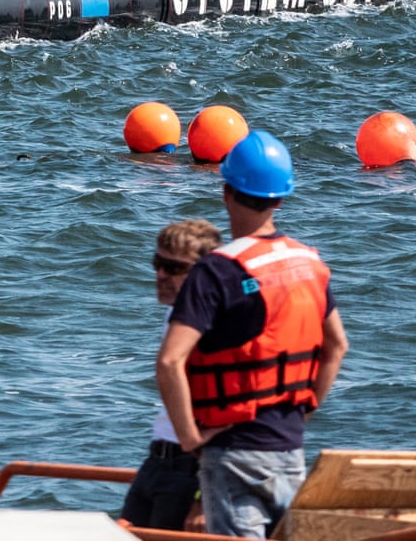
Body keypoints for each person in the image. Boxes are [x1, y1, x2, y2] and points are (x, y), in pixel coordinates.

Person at [156, 131, 348, 538]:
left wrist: (190, 439)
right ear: (280, 197)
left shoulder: (217, 270)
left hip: (232, 451)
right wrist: (306, 409)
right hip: (289, 446)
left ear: (226, 191)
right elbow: (337, 347)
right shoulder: (309, 263)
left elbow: (171, 360)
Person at [121, 217, 222, 531]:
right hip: (158, 459)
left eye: (174, 268)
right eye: (157, 263)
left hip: (190, 467)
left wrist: (202, 496)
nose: (160, 275)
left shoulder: (217, 323)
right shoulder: (176, 314)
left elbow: (230, 411)